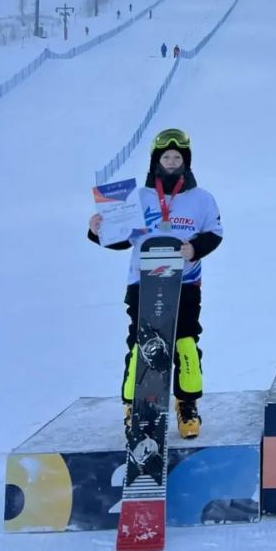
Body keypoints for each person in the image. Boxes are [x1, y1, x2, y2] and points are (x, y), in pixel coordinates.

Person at [87, 128, 223, 439]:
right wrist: (97, 231)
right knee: (142, 343)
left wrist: (194, 248)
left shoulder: (202, 199)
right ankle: (134, 406)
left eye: (177, 157)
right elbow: (120, 239)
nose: (172, 162)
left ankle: (186, 404)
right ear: (155, 161)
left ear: (186, 161)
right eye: (166, 157)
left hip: (186, 283)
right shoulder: (136, 197)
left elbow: (214, 234)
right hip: (142, 283)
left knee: (185, 343)